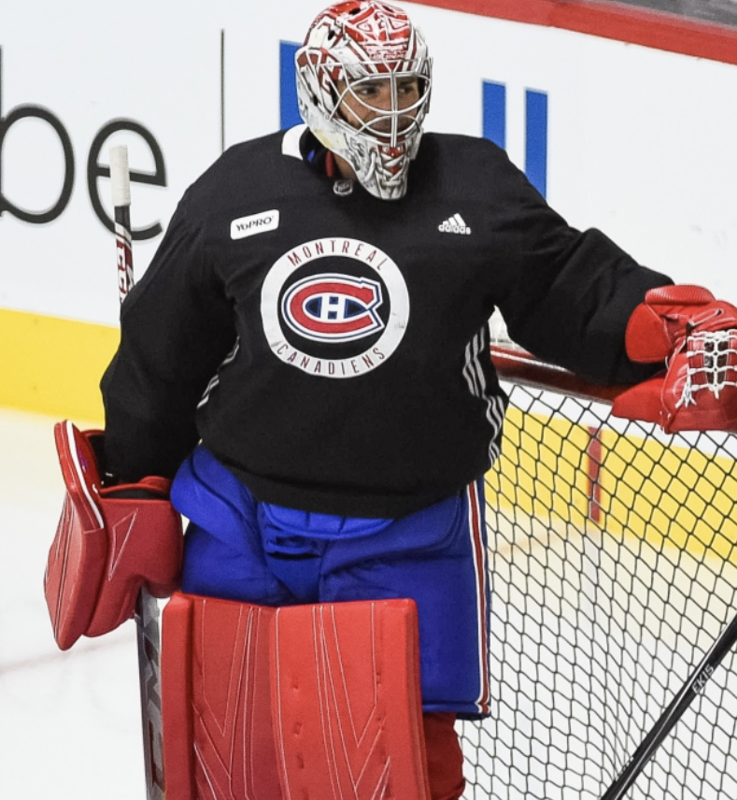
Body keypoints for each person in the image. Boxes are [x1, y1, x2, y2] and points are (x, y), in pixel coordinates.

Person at [95, 2, 686, 797]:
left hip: (405, 535)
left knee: (404, 764)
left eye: (408, 88)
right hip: (242, 522)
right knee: (229, 751)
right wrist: (135, 475)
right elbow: (160, 355)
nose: (394, 112)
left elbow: (564, 286)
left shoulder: (475, 184)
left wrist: (662, 322)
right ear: (318, 89)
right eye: (371, 92)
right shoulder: (237, 189)